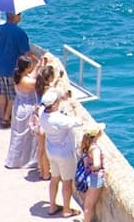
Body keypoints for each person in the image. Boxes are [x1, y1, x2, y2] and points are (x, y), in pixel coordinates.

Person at [40, 89, 84, 218]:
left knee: (54, 179)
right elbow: (79, 121)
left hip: (51, 152)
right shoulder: (59, 119)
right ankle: (66, 210)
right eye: (57, 101)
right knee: (66, 182)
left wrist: (63, 97)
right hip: (64, 154)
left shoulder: (43, 114)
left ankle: (52, 206)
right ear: (53, 104)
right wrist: (75, 106)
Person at [0, 11, 31, 129]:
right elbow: (26, 53)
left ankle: (2, 114)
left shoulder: (0, 28)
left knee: (1, 92)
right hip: (11, 68)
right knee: (12, 95)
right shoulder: (20, 33)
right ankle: (6, 117)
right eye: (20, 14)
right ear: (15, 17)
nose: (21, 16)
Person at [5, 53, 43, 171]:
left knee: (18, 133)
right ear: (27, 67)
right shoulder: (27, 82)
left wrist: (39, 66)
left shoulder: (19, 75)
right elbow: (41, 85)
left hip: (18, 107)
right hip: (27, 109)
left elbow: (32, 75)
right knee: (27, 135)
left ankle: (15, 159)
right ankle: (26, 161)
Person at [74, 123, 108, 222]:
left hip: (88, 176)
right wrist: (93, 167)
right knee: (89, 205)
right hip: (95, 178)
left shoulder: (87, 145)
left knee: (88, 203)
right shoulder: (95, 149)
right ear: (97, 134)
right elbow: (97, 164)